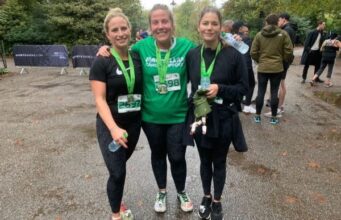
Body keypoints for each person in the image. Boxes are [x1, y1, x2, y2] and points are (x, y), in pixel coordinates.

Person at [97, 4, 195, 214]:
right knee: (158, 154)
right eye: (155, 22)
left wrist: (228, 42)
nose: (160, 26)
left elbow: (207, 53)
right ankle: (161, 191)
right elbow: (119, 52)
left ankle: (181, 191)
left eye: (164, 21)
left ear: (172, 24)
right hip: (150, 117)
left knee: (177, 156)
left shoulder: (187, 46)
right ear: (150, 26)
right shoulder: (141, 48)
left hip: (178, 116)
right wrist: (104, 49)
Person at [185, 6, 248, 220]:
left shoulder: (233, 55)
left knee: (219, 161)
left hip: (223, 118)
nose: (209, 27)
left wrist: (220, 88)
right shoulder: (193, 55)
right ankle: (206, 195)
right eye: (205, 23)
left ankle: (217, 201)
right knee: (204, 161)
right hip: (201, 117)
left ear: (221, 27)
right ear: (199, 26)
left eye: (214, 23)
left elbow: (244, 89)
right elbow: (189, 87)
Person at [89, 8, 142, 220]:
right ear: (108, 35)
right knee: (118, 172)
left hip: (133, 125)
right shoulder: (102, 61)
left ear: (130, 30)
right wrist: (113, 129)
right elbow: (99, 99)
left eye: (123, 28)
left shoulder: (138, 56)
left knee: (120, 166)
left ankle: (117, 197)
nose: (120, 33)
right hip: (110, 125)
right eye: (114, 30)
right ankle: (115, 214)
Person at [250, 14, 293, 125]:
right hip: (277, 68)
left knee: (261, 92)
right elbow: (289, 51)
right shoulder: (283, 34)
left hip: (263, 68)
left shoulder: (259, 35)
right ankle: (273, 118)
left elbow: (253, 52)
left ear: (266, 22)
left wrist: (260, 61)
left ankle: (258, 116)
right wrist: (283, 60)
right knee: (274, 92)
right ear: (277, 22)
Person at [264, 12, 296, 117]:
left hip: (283, 61)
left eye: (278, 20)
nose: (277, 23)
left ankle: (279, 108)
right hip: (284, 61)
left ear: (283, 19)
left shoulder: (286, 31)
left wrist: (283, 60)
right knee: (281, 83)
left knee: (280, 84)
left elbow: (287, 49)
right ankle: (279, 106)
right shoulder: (290, 29)